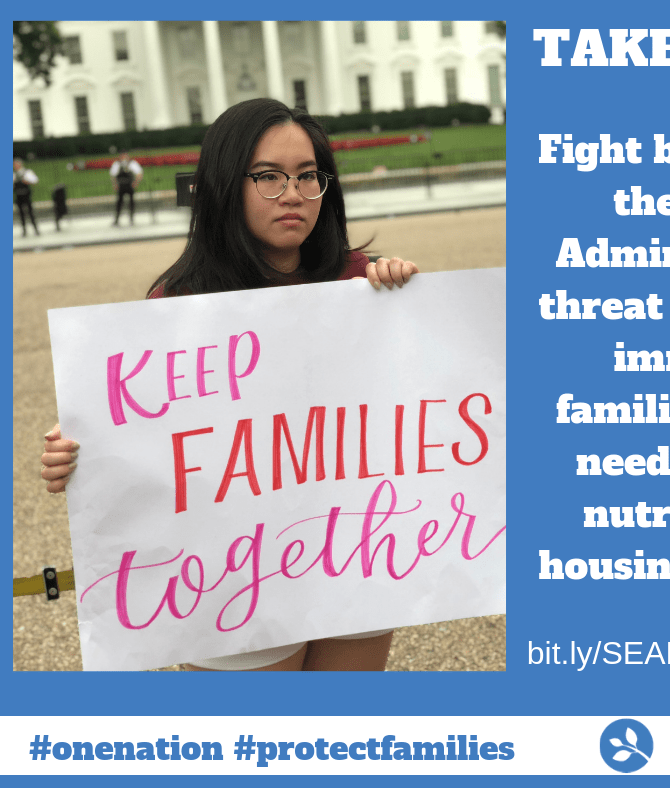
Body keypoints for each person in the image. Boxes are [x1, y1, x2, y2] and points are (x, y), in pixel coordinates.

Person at [40, 98, 419, 672]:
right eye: (268, 176)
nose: (292, 192)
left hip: (352, 556)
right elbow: (145, 439)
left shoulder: (360, 283)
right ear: (223, 184)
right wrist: (82, 452)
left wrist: (407, 297)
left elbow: (419, 404)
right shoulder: (174, 310)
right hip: (235, 579)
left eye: (308, 176)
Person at [109, 151, 143, 226]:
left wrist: (136, 183)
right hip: (121, 186)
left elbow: (139, 173)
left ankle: (131, 218)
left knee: (131, 202)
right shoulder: (117, 164)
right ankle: (117, 219)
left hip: (129, 185)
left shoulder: (132, 163)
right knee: (119, 203)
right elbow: (113, 175)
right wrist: (115, 184)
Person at [13, 158, 40, 237]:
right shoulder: (14, 174)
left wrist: (27, 181)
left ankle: (35, 229)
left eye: (16, 164)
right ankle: (24, 230)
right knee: (21, 213)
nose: (15, 166)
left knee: (30, 212)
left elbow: (35, 180)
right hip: (18, 195)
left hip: (26, 195)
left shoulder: (27, 172)